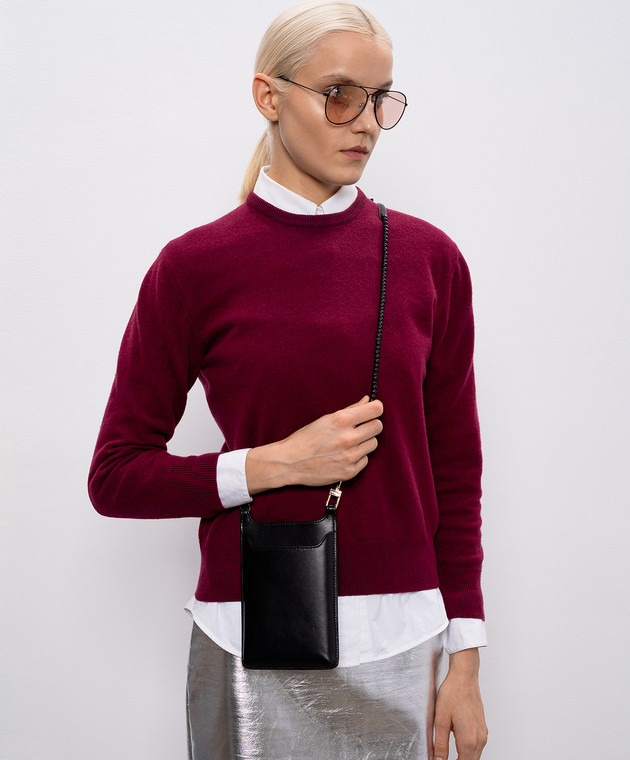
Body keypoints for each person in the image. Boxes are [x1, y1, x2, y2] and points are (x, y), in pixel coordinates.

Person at [88, 2, 488, 758]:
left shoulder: (429, 260)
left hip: (406, 640)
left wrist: (465, 655)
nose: (365, 123)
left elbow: (456, 469)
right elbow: (115, 476)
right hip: (249, 637)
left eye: (380, 99)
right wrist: (273, 465)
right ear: (268, 96)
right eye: (339, 95)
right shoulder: (194, 268)